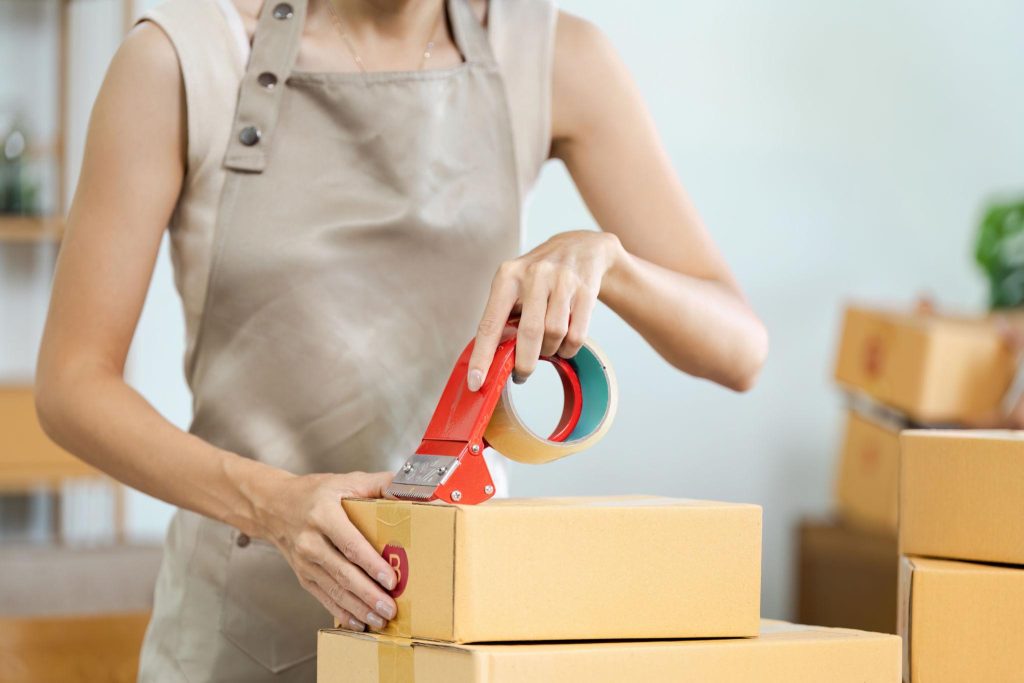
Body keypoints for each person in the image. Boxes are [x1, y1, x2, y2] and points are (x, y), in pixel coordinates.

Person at [34, 0, 768, 680]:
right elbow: (72, 383)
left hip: (452, 634)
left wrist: (611, 262)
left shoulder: (551, 55)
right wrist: (276, 506)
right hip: (235, 632)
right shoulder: (184, 58)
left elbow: (738, 349)